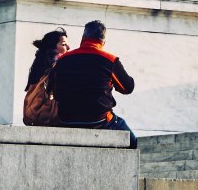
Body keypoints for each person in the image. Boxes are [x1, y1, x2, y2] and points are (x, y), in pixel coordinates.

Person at [51, 20, 138, 148]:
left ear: (83, 38)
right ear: (103, 42)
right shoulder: (110, 60)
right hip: (98, 120)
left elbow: (55, 91)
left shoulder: (63, 60)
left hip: (66, 119)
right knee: (132, 141)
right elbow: (128, 87)